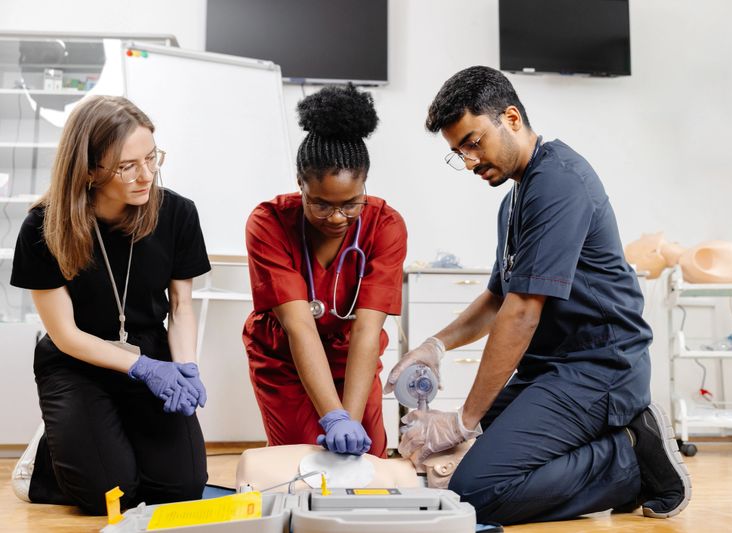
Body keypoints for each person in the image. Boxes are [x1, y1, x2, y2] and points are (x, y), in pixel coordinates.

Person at [385, 66, 691, 525]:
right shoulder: (513, 201)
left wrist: (464, 419)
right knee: (455, 469)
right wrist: (435, 346)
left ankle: (629, 459)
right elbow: (496, 298)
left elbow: (522, 312)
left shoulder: (558, 180)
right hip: (551, 371)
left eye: (473, 142)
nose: (469, 161)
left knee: (476, 493)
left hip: (599, 370)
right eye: (457, 152)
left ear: (510, 118)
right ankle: (605, 450)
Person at [9, 95, 210, 515]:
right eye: (127, 166)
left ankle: (99, 440)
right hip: (76, 361)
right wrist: (141, 368)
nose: (146, 175)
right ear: (88, 169)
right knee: (108, 495)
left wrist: (185, 366)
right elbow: (64, 334)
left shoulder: (177, 213)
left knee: (183, 488)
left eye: (152, 158)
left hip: (150, 352)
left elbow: (182, 306)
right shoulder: (42, 228)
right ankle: (48, 459)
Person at [243, 84, 407, 458]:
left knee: (368, 454)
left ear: (365, 183)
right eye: (319, 204)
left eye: (351, 204)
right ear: (300, 184)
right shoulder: (268, 222)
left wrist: (348, 418)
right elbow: (299, 326)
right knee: (303, 460)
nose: (336, 217)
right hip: (285, 357)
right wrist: (334, 417)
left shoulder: (386, 225)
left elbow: (368, 327)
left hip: (353, 353)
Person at [235, 441, 474, 493]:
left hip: (256, 478)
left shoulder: (384, 478)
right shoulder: (380, 470)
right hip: (256, 475)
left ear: (444, 468)